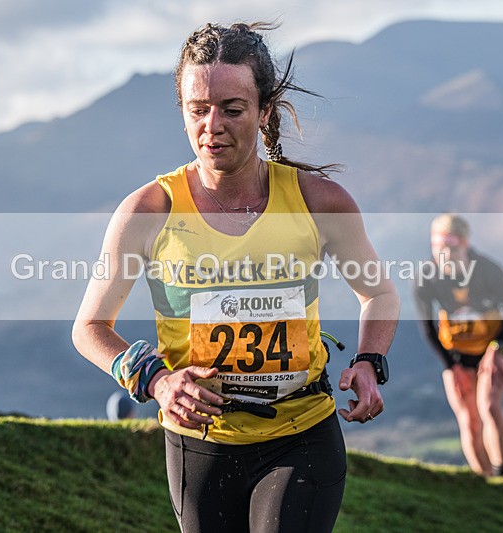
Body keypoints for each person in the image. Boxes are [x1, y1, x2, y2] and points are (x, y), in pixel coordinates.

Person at [72, 22, 400, 532]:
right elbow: (90, 327)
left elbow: (378, 293)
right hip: (200, 442)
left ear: (264, 111)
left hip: (302, 434)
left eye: (232, 109)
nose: (212, 126)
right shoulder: (149, 211)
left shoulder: (319, 202)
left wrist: (368, 361)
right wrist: (157, 380)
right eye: (197, 110)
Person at [413, 213, 503, 477]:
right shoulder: (425, 276)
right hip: (456, 353)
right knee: (469, 420)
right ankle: (484, 482)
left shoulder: (488, 269)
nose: (444, 255)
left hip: (491, 349)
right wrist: (450, 367)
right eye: (438, 248)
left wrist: (498, 348)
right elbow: (427, 327)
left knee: (490, 406)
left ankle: (502, 476)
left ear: (465, 243)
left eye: (450, 248)